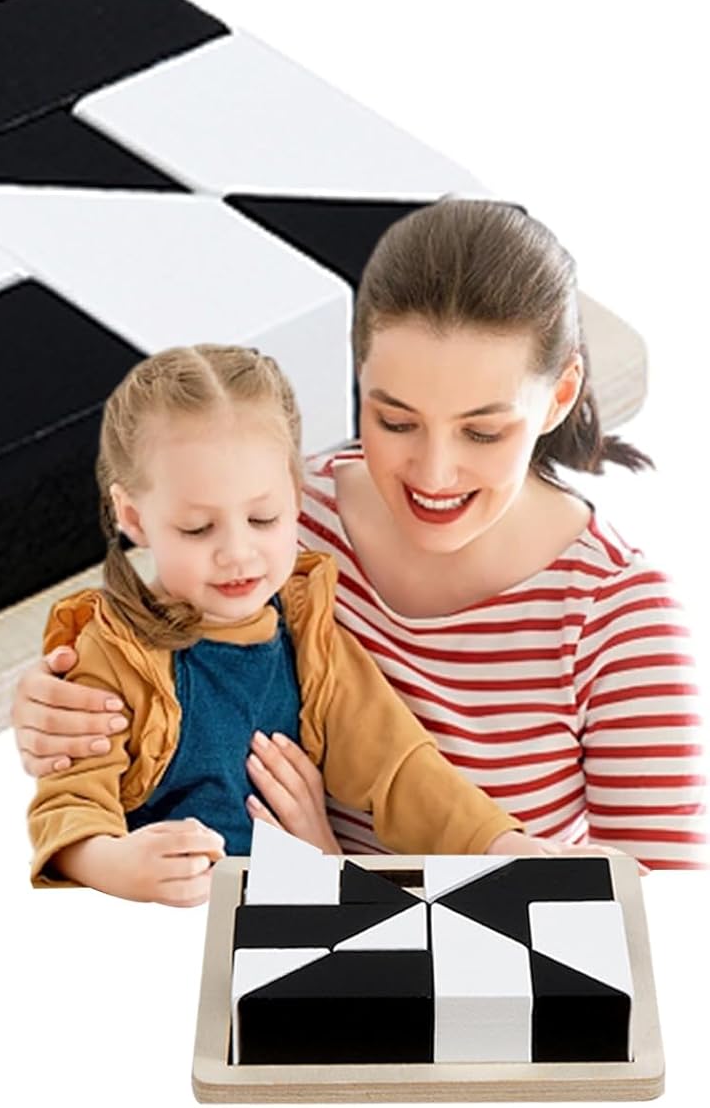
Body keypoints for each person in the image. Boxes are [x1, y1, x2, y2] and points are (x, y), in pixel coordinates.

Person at [17, 199, 703, 872]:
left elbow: (659, 932)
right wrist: (61, 713)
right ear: (358, 380)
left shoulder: (619, 621)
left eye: (483, 432)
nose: (433, 473)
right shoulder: (281, 524)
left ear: (559, 396)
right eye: (396, 421)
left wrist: (332, 877)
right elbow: (151, 672)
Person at [29, 343, 581, 905]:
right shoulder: (112, 650)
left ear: (294, 497)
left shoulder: (309, 636)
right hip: (167, 927)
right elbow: (69, 802)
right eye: (198, 528)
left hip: (291, 919)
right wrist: (114, 863)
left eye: (262, 518)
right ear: (134, 518)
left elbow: (397, 767)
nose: (238, 553)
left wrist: (497, 843)